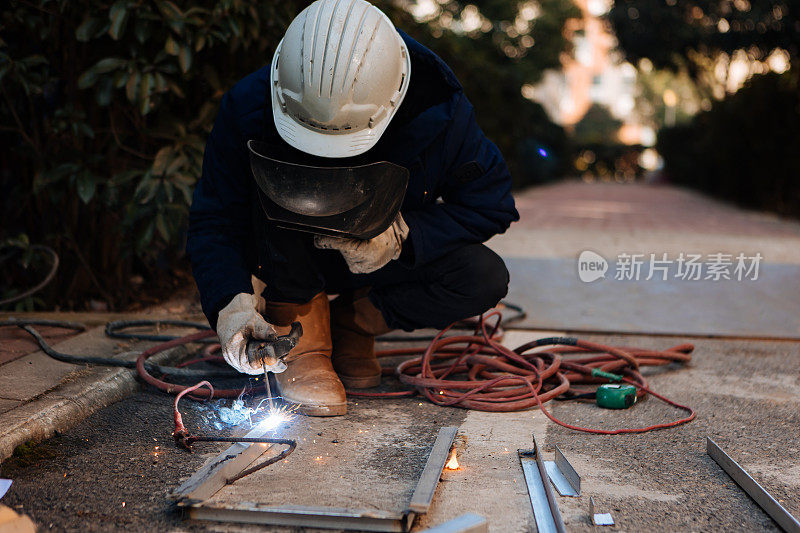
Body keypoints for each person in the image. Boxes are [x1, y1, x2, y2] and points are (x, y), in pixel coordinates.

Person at [187, 0, 519, 416]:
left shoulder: (438, 110)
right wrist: (230, 303)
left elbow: (491, 204)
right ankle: (302, 336)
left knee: (481, 277)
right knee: (283, 185)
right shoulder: (251, 104)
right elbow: (214, 218)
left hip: (370, 262)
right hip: (284, 258)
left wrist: (402, 238)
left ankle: (351, 323)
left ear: (392, 100)